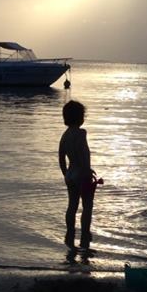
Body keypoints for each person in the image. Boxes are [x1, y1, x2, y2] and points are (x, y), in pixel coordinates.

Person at [58, 100, 96, 248]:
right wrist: (87, 169)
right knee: (87, 205)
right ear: (80, 117)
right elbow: (83, 153)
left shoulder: (64, 136)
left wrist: (65, 174)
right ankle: (85, 233)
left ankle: (70, 232)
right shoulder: (81, 133)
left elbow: (61, 157)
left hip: (70, 174)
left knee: (72, 205)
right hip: (82, 173)